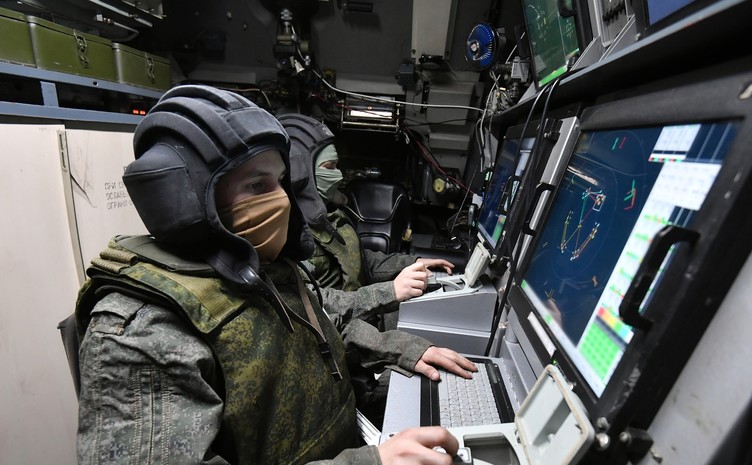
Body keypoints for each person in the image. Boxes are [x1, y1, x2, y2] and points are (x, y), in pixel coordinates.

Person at [73, 85, 475, 464]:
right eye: (256, 184)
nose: (282, 199)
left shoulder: (262, 268)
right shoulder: (142, 333)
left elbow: (322, 327)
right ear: (186, 196)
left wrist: (402, 349)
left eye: (280, 181)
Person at [280, 114, 455, 332]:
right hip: (339, 332)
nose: (338, 175)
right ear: (301, 174)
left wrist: (413, 262)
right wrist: (391, 291)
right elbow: (315, 303)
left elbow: (360, 260)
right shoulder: (286, 236)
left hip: (363, 318)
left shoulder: (330, 216)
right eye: (330, 167)